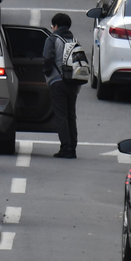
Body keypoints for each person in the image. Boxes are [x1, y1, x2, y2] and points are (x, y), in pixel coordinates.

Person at [42, 12, 79, 158]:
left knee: (61, 116)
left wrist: (46, 72)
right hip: (73, 83)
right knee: (71, 116)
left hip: (57, 82)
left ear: (56, 26)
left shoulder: (53, 39)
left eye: (53, 26)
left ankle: (65, 148)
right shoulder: (74, 40)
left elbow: (48, 58)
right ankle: (72, 148)